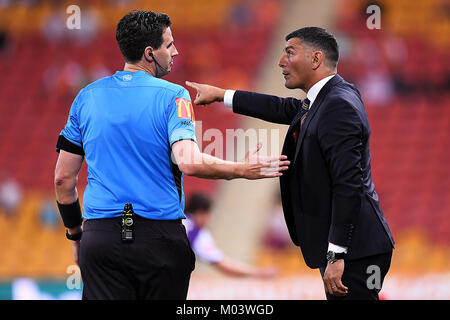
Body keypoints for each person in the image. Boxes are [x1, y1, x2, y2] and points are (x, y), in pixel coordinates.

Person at [53, 10, 289, 300]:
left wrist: (77, 237)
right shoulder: (173, 96)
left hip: (101, 239)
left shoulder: (85, 97)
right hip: (158, 240)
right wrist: (240, 169)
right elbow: (188, 162)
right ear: (150, 53)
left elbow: (63, 179)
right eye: (169, 45)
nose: (175, 51)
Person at [186, 27, 395, 300]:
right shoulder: (329, 97)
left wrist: (337, 253)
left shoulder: (337, 105)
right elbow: (283, 108)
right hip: (352, 249)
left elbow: (348, 185)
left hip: (355, 251)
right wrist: (223, 95)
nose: (281, 61)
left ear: (316, 59)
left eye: (290, 53)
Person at [184, 193, 277, 278]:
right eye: (210, 214)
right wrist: (259, 273)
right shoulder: (196, 234)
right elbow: (225, 266)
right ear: (201, 213)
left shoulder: (175, 221)